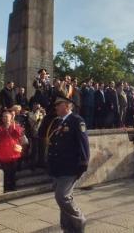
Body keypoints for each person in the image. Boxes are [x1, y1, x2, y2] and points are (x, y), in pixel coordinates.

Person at [46, 97, 90, 233]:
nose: (56, 107)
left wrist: (84, 162)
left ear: (67, 106)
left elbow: (84, 143)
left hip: (70, 166)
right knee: (63, 200)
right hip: (57, 167)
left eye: (58, 105)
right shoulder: (58, 122)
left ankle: (79, 219)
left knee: (62, 196)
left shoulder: (77, 121)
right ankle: (67, 227)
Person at [0, 112, 23, 192]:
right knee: (6, 171)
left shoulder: (15, 126)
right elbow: (0, 135)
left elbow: (17, 134)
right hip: (4, 153)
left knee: (13, 171)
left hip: (13, 152)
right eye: (4, 117)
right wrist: (6, 128)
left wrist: (13, 124)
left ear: (11, 118)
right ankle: (6, 187)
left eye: (7, 117)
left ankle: (13, 186)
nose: (5, 118)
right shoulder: (0, 127)